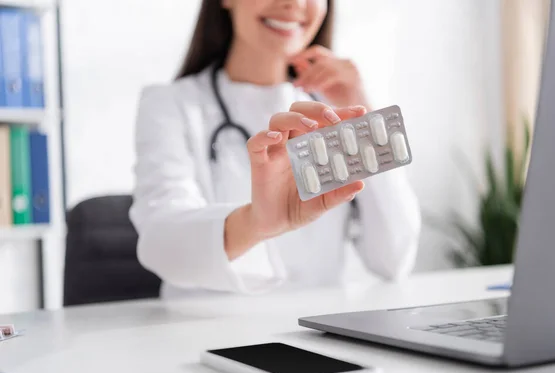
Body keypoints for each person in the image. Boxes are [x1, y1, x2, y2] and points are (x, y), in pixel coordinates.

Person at [129, 0, 421, 298]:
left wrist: (368, 123)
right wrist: (255, 223)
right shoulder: (170, 105)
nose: (293, 3)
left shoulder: (337, 108)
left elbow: (394, 260)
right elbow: (161, 244)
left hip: (320, 330)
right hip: (209, 330)